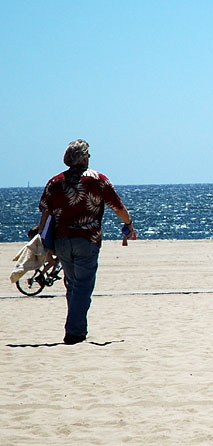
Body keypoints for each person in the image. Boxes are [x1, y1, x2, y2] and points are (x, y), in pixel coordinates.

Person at [38, 139, 136, 345]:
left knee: (72, 285)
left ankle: (77, 328)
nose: (89, 158)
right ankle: (74, 332)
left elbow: (46, 213)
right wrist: (129, 224)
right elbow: (117, 206)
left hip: (62, 240)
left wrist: (43, 241)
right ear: (83, 158)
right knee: (82, 287)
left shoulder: (55, 182)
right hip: (86, 240)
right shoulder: (97, 180)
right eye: (88, 155)